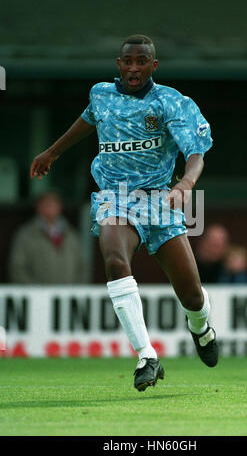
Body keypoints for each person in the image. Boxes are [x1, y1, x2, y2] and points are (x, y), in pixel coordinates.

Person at [30, 34, 218, 392]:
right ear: (119, 64)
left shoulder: (170, 102)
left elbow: (195, 152)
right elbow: (88, 120)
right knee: (114, 259)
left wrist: (187, 185)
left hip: (160, 199)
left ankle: (201, 326)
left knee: (192, 295)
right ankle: (146, 355)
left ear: (153, 66)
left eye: (141, 62)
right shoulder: (101, 94)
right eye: (127, 61)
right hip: (114, 197)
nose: (134, 68)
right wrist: (52, 152)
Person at [9, 192, 87, 284]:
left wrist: (77, 290)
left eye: (54, 204)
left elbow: (83, 267)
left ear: (60, 207)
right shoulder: (26, 235)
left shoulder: (71, 234)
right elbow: (17, 268)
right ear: (38, 207)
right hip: (38, 296)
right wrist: (34, 291)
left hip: (68, 295)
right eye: (46, 205)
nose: (50, 208)